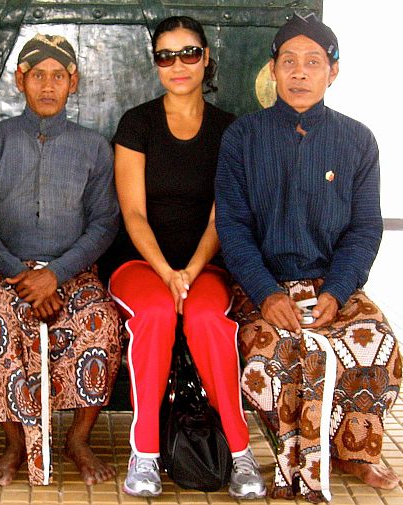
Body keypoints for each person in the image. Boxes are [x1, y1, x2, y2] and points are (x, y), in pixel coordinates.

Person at [215, 12, 402, 503]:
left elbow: (365, 230)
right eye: (290, 62)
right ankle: (288, 458)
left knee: (374, 343)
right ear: (272, 70)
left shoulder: (357, 140)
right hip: (262, 285)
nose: (300, 73)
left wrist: (338, 293)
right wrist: (265, 292)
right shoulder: (242, 138)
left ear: (332, 71)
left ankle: (355, 450)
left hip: (330, 283)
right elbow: (232, 229)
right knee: (271, 359)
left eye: (313, 63)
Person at [108, 16, 266, 499]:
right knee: (155, 314)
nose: (178, 65)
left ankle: (240, 454)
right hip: (140, 263)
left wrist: (191, 273)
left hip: (205, 265)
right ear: (155, 63)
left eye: (189, 53)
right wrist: (167, 274)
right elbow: (133, 214)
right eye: (166, 56)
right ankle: (146, 453)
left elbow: (223, 218)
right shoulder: (137, 123)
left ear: (206, 58)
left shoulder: (229, 130)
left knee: (209, 323)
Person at [0, 34, 121, 487]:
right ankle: (15, 444)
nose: (49, 85)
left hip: (72, 273)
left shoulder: (94, 147)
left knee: (102, 321)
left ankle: (78, 439)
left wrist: (55, 275)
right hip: (7, 272)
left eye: (59, 76)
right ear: (21, 80)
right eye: (39, 75)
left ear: (73, 82)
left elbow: (104, 224)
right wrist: (21, 275)